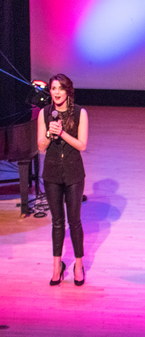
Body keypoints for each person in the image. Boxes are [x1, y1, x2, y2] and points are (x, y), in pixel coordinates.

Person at [37, 73, 88, 286]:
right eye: (53, 88)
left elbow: (82, 145)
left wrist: (62, 133)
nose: (56, 92)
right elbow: (41, 147)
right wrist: (50, 134)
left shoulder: (80, 113)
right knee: (57, 222)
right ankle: (57, 265)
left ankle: (78, 264)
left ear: (68, 91)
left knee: (73, 221)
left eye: (60, 88)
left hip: (74, 173)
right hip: (51, 174)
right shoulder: (44, 113)